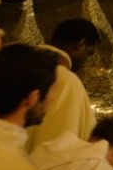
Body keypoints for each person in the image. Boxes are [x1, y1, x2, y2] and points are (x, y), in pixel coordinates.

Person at [26, 17, 100, 151]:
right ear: (81, 45)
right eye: (89, 54)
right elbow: (61, 146)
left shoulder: (18, 64)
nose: (86, 62)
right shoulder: (66, 81)